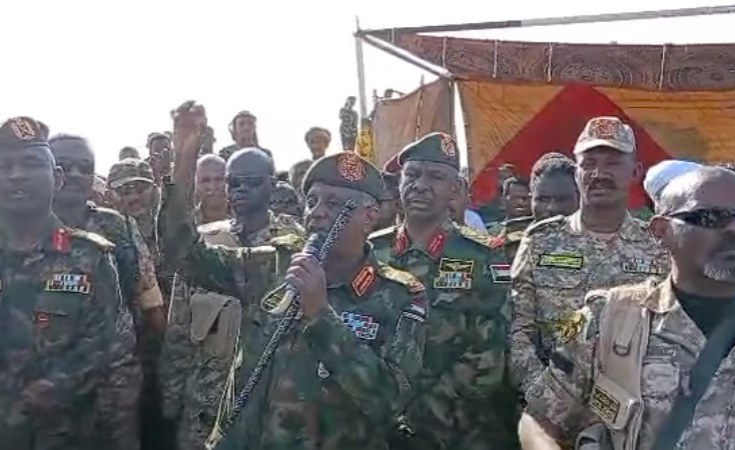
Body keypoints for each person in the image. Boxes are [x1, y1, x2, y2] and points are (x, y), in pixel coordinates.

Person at [162, 101, 427, 450]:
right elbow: (184, 255)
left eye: (335, 204)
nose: (317, 213)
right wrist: (183, 160)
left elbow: (389, 402)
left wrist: (321, 316)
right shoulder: (274, 264)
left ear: (369, 216)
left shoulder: (400, 295)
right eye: (312, 201)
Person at [519, 166, 735, 449]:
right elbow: (539, 420)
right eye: (712, 218)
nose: (732, 229)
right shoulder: (610, 319)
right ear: (662, 231)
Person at [370, 132, 520, 449]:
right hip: (378, 424)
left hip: (460, 429)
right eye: (412, 174)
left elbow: (490, 350)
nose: (420, 185)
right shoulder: (372, 251)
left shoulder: (483, 254)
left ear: (455, 189)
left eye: (436, 177)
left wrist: (422, 418)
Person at [0, 116, 136, 449]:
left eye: (31, 163)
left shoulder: (90, 257)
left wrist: (56, 387)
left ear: (57, 178)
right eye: (4, 166)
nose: (16, 175)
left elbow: (113, 353)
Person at [510, 116, 670, 396]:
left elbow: (670, 333)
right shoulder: (540, 241)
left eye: (613, 163)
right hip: (552, 401)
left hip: (637, 403)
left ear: (635, 172)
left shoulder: (658, 246)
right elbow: (518, 330)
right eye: (589, 163)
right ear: (577, 173)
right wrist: (544, 397)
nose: (599, 174)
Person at [50, 133, 168, 449]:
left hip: (113, 387)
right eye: (65, 165)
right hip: (43, 389)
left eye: (85, 167)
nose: (76, 174)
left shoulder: (116, 226)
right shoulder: (18, 229)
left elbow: (148, 298)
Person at [194, 154, 228, 225]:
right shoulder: (188, 223)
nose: (212, 187)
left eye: (218, 179)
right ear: (196, 184)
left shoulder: (246, 217)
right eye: (205, 180)